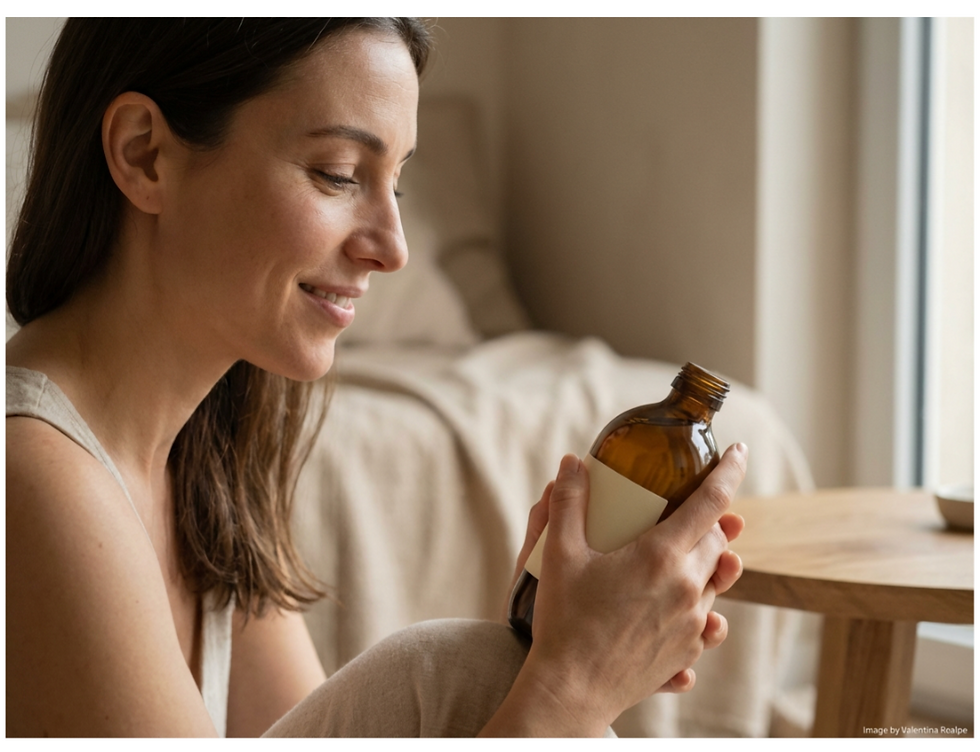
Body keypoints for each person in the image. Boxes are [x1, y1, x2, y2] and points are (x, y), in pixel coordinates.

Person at [5, 18, 747, 737]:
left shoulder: (204, 460)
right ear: (144, 155)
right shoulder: (33, 478)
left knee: (478, 672)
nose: (392, 249)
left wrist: (555, 641)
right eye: (337, 175)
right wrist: (573, 685)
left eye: (396, 184)